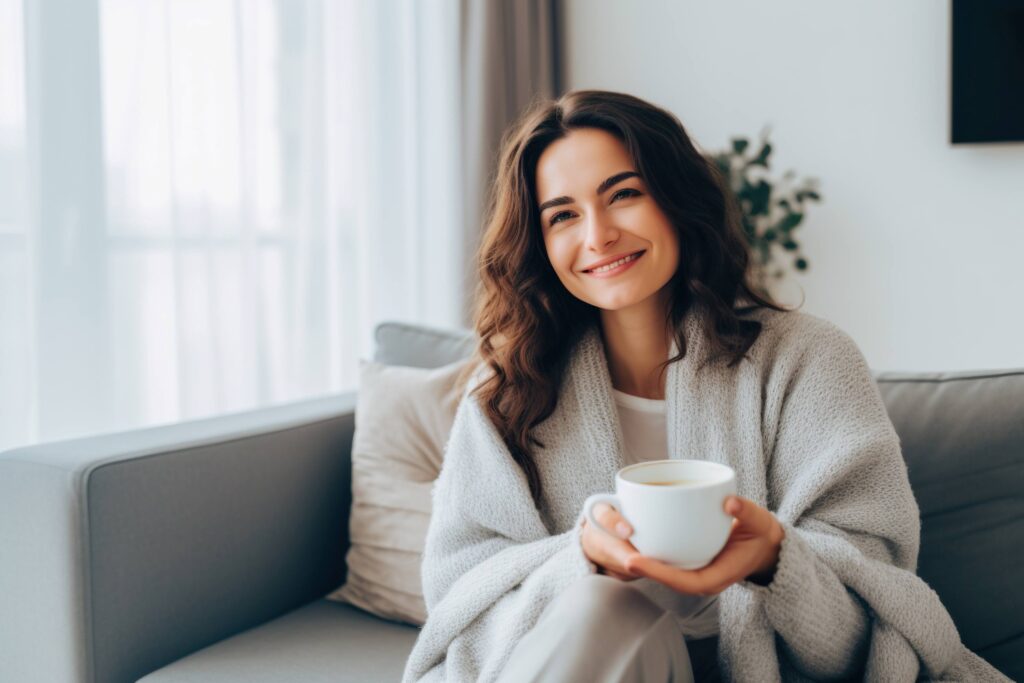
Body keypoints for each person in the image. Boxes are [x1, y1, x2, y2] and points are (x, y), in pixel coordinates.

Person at [401, 90, 1009, 683]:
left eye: (625, 195)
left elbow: (873, 627)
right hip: (594, 659)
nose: (598, 235)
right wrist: (580, 560)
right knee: (603, 608)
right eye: (563, 215)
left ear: (676, 201)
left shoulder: (810, 360)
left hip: (765, 666)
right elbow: (463, 602)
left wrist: (777, 558)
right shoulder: (509, 392)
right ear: (539, 242)